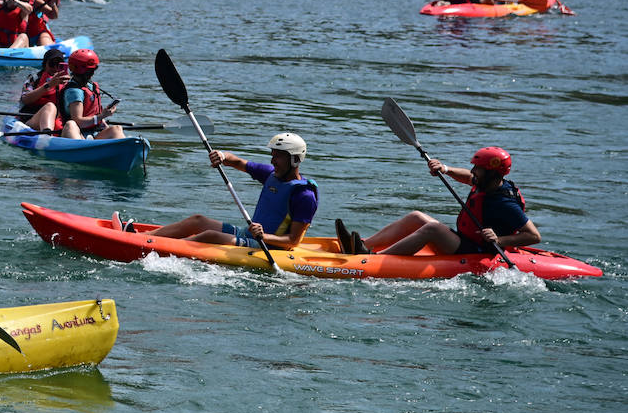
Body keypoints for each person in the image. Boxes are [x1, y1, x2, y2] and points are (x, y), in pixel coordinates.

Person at [114, 133, 317, 250]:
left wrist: (264, 237)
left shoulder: (304, 196)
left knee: (210, 235)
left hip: (267, 245)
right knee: (197, 220)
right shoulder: (271, 174)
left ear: (295, 160)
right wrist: (221, 156)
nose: (273, 160)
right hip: (249, 234)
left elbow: (293, 242)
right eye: (272, 155)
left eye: (278, 156)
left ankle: (153, 251)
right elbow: (237, 161)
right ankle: (139, 238)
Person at [335, 147, 540, 257]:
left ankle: (372, 260)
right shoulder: (486, 182)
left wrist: (500, 240)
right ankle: (361, 246)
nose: (473, 172)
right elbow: (467, 177)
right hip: (466, 241)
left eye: (478, 168)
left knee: (432, 229)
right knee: (416, 216)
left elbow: (533, 236)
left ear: (493, 173)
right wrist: (445, 169)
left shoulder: (504, 203)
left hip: (479, 251)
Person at [51, 49, 123, 140]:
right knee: (71, 124)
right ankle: (82, 149)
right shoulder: (74, 91)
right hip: (76, 134)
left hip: (94, 133)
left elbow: (94, 114)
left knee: (117, 129)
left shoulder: (90, 85)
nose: (92, 73)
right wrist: (102, 116)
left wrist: (103, 123)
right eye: (90, 71)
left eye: (93, 70)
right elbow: (78, 121)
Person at [18, 48, 70, 120]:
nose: (55, 67)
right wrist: (48, 85)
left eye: (58, 64)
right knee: (50, 106)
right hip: (33, 116)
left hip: (57, 118)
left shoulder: (68, 81)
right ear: (45, 64)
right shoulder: (34, 78)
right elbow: (25, 100)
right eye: (52, 64)